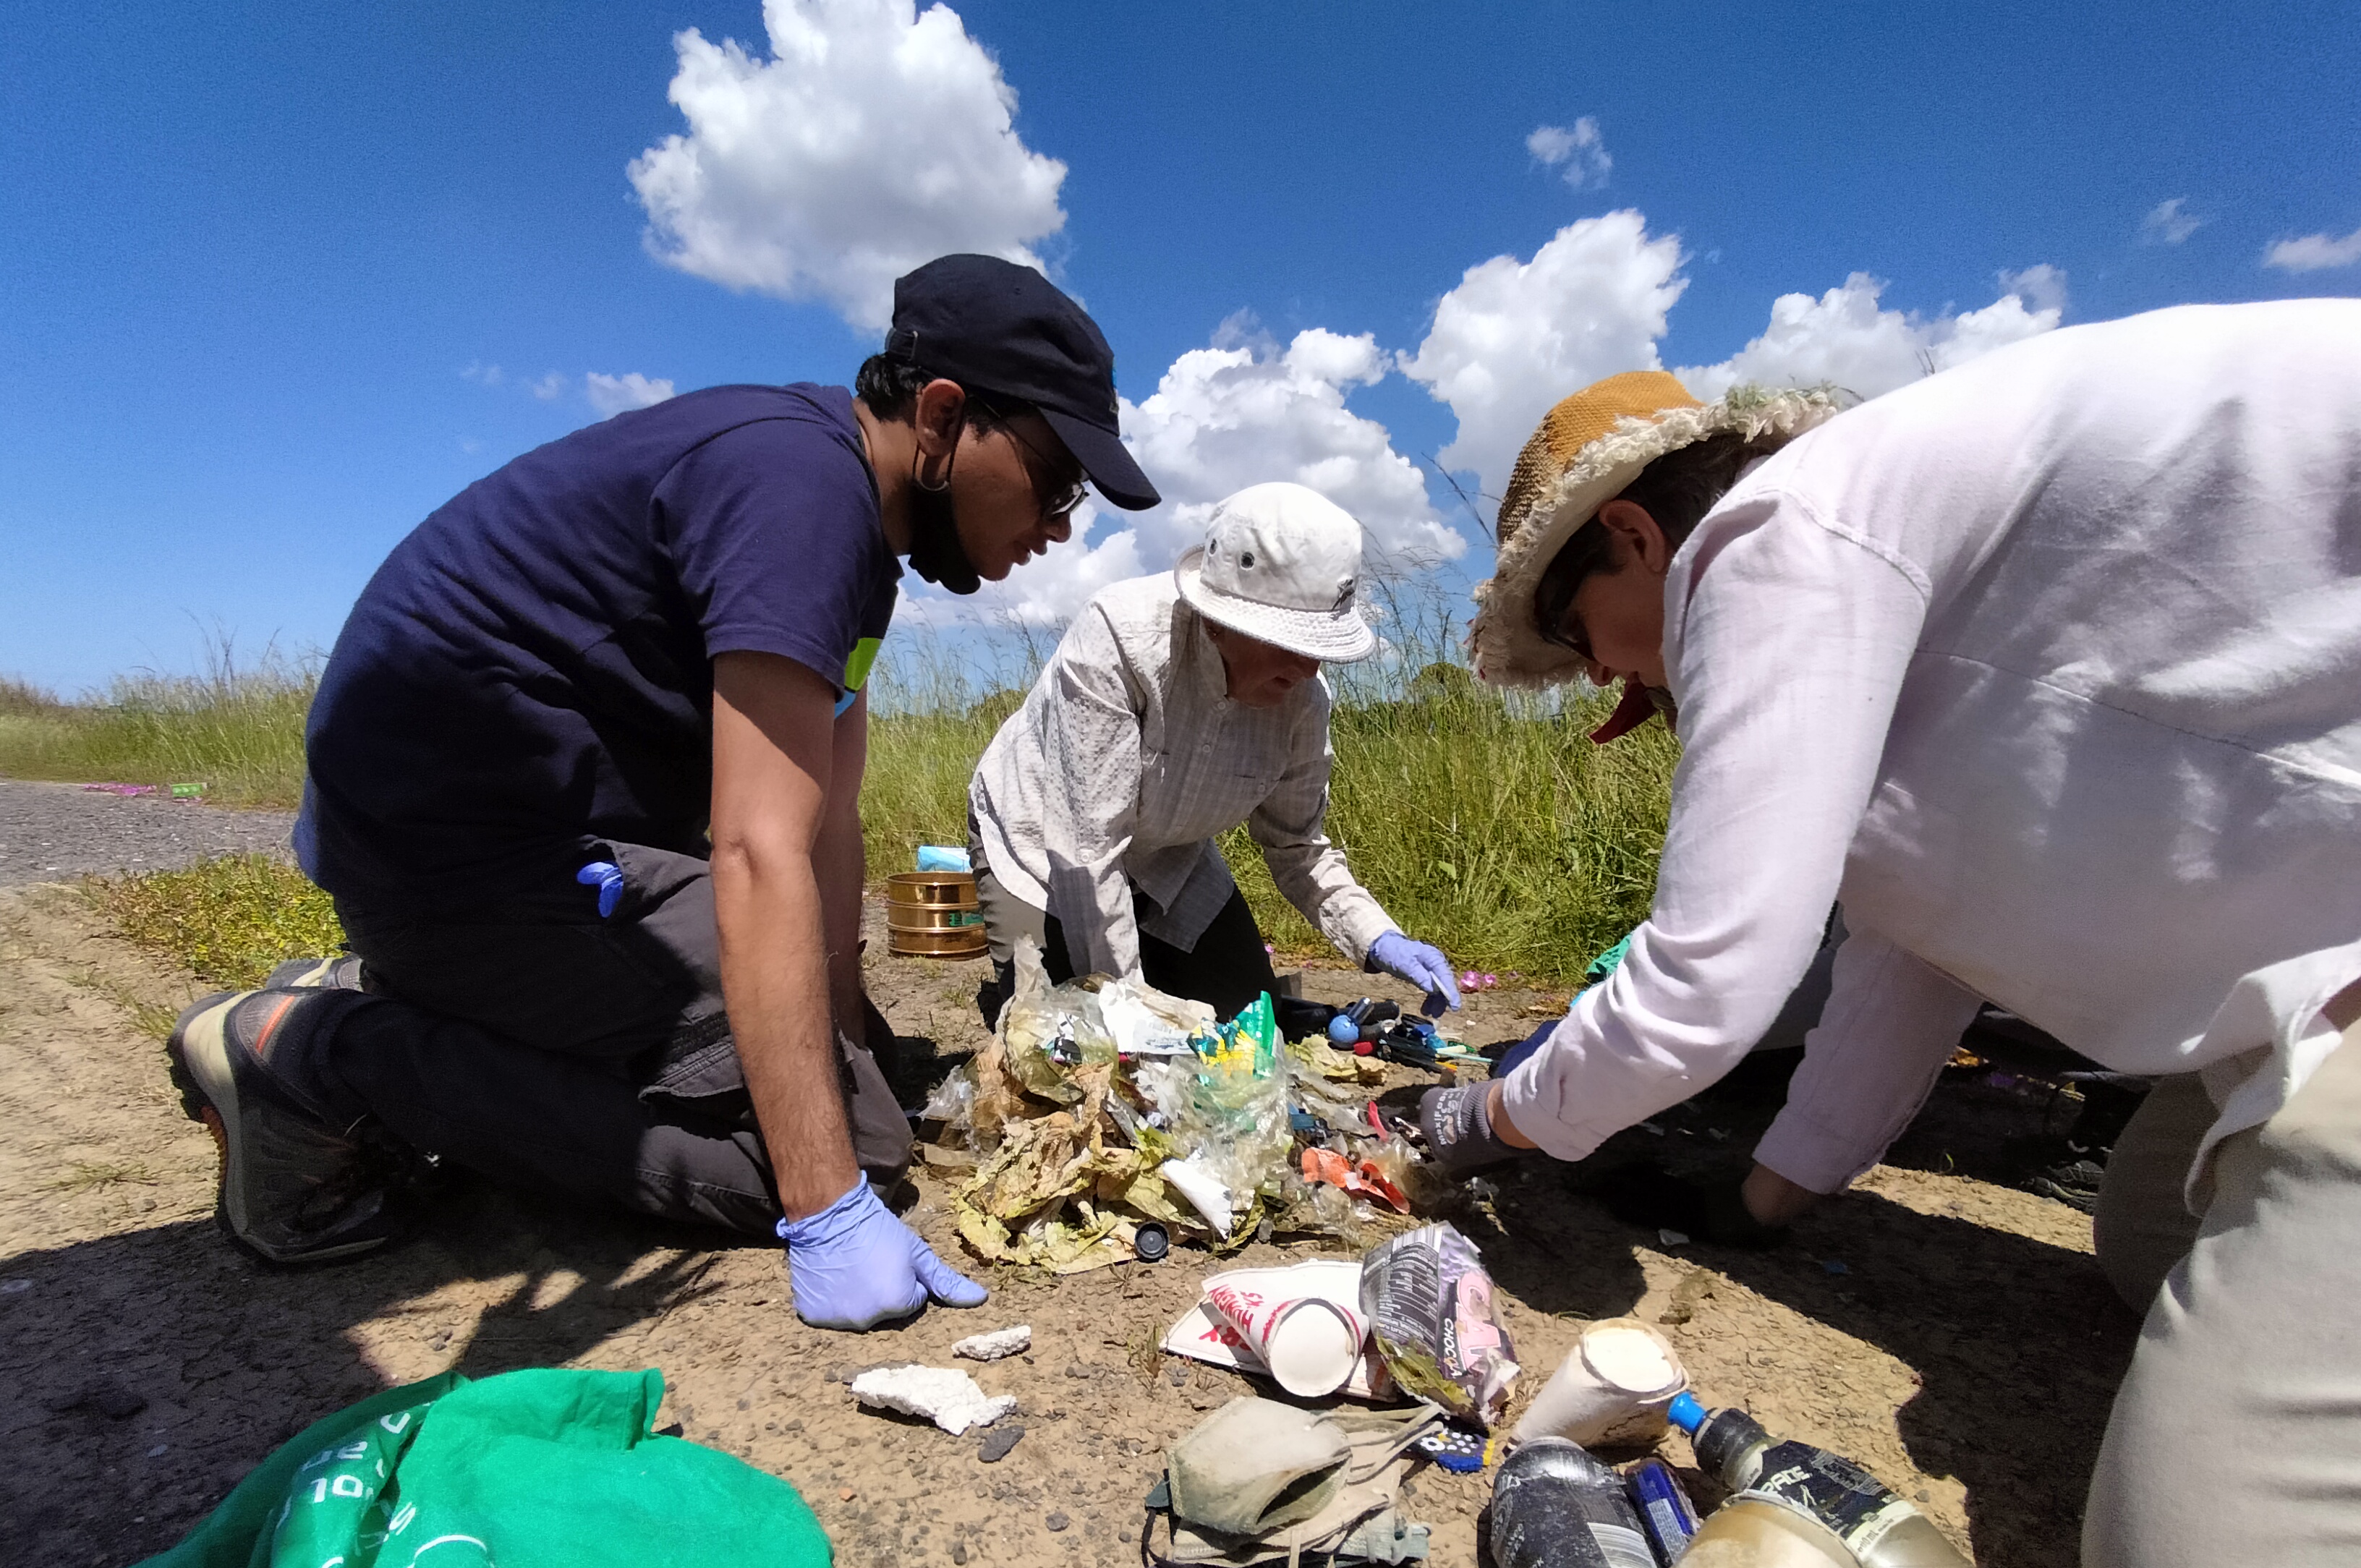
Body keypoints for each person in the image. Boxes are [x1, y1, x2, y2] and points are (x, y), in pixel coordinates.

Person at [1417, 304, 2361, 1568]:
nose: (1611, 682)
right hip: (2297, 959)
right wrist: (1765, 1194)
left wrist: (1489, 1117)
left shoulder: (1777, 534)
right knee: (2145, 1239)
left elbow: (1704, 982)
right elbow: (1910, 943)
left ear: (1632, 543)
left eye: (1579, 633)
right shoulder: (1901, 560)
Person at [166, 254, 1161, 1333]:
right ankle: (318, 1055)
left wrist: (846, 1036)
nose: (1062, 525)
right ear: (942, 414)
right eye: (1057, 479)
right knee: (843, 1150)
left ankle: (427, 987)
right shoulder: (801, 495)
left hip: (502, 859)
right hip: (461, 859)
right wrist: (825, 1203)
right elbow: (754, 852)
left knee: (850, 1091)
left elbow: (823, 817)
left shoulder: (857, 543)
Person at [966, 481, 1463, 1023]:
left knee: (1246, 1016)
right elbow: (1088, 850)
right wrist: (1128, 1015)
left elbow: (1297, 846)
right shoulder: (1120, 642)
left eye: (1319, 650)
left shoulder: (1302, 702)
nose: (1307, 670)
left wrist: (1378, 936)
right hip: (1043, 847)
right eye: (1291, 645)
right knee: (1068, 1032)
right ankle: (1014, 995)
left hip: (1169, 857)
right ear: (1218, 620)